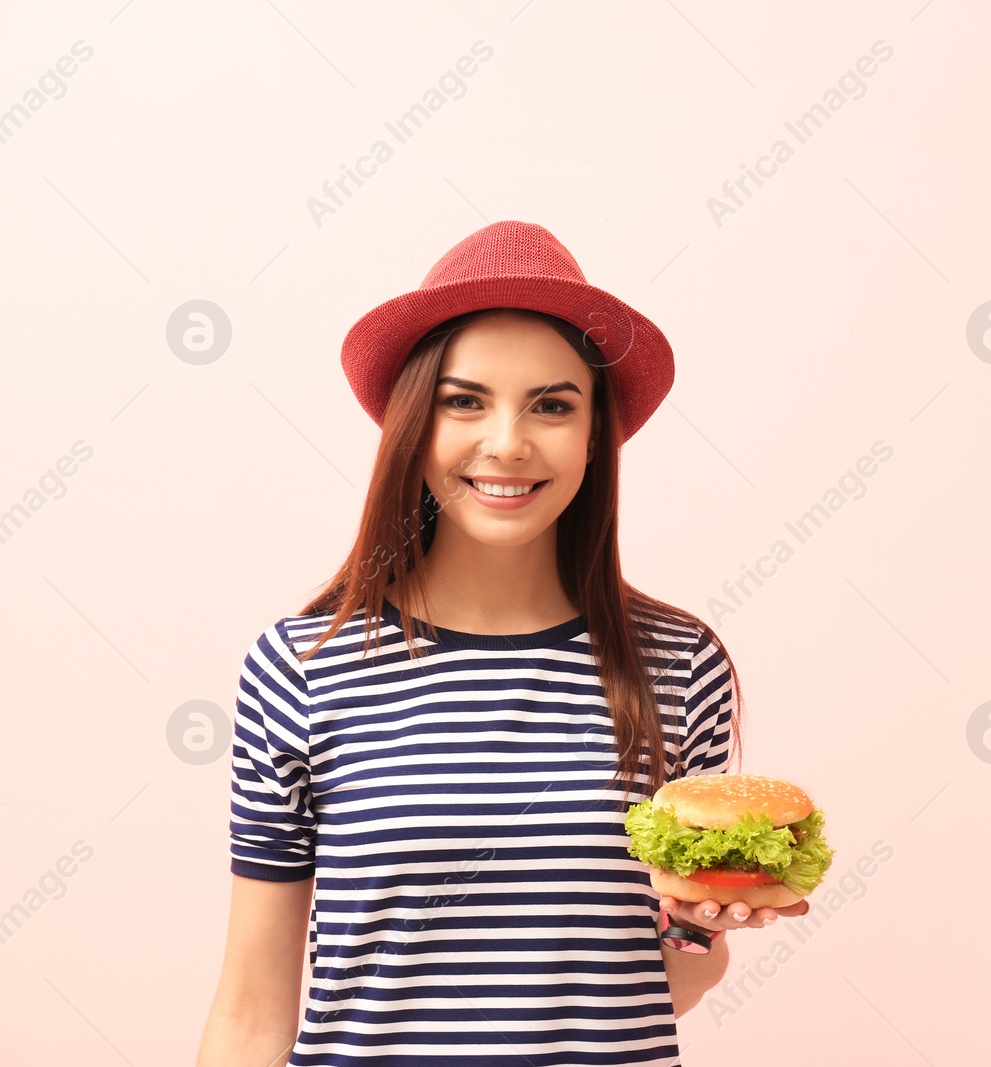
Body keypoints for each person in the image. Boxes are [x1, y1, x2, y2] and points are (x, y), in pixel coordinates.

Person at [197, 221, 808, 1066]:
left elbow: (664, 988)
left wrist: (703, 926)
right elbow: (250, 1009)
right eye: (465, 399)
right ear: (415, 422)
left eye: (553, 404)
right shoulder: (302, 667)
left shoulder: (678, 664)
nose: (509, 441)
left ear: (595, 434)